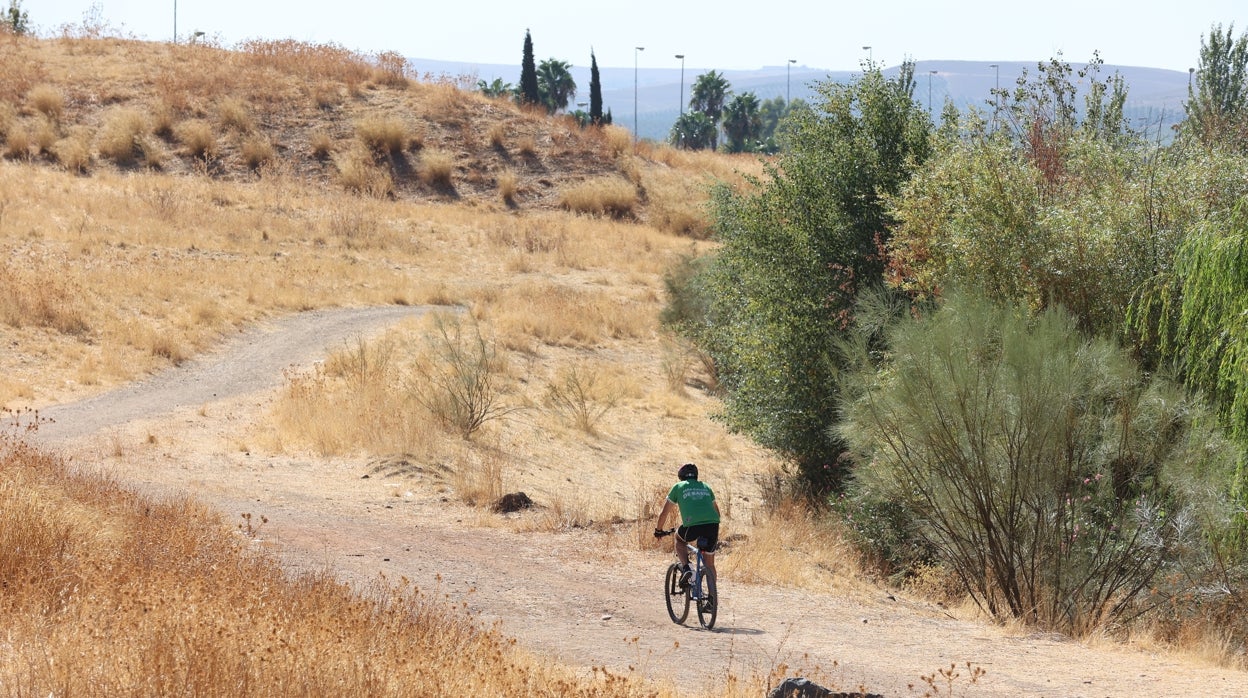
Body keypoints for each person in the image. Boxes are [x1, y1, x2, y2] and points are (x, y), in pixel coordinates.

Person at [654, 462, 720, 609]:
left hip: (692, 525)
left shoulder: (679, 487)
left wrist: (658, 530)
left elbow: (664, 512)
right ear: (696, 476)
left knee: (679, 538)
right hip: (713, 525)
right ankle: (711, 600)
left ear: (681, 477)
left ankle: (687, 568)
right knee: (710, 564)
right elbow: (717, 510)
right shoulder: (706, 487)